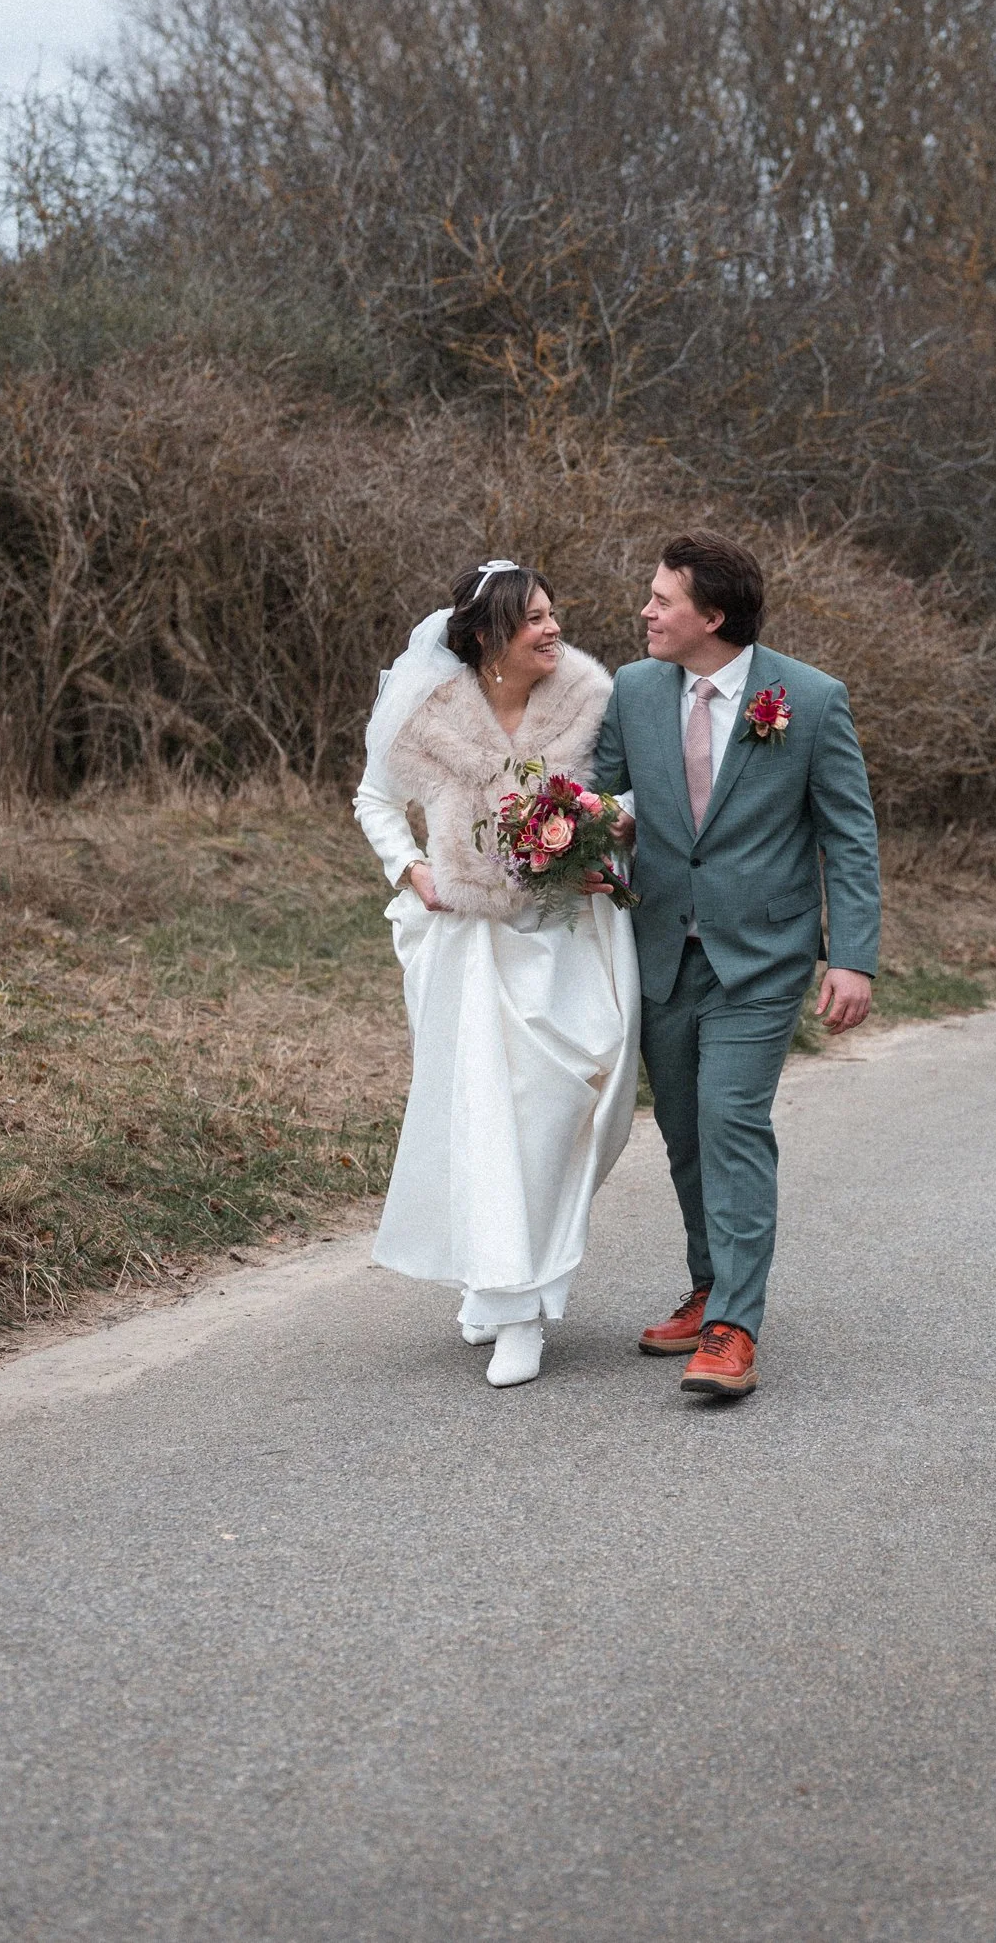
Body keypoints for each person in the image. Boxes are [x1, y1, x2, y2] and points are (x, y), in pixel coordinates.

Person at [591, 533, 881, 1400]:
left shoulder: (812, 700)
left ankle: (734, 1329)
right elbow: (606, 804)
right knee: (683, 1134)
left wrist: (851, 957)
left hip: (761, 957)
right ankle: (708, 1281)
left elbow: (848, 836)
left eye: (661, 599)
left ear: (710, 617)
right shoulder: (634, 690)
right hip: (658, 952)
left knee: (729, 1124)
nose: (644, 611)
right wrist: (572, 847)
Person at [354, 561, 640, 1388]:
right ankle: (514, 1303)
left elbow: (628, 795)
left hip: (567, 936)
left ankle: (510, 1274)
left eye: (554, 614)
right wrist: (412, 870)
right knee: (486, 1112)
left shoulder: (591, 697)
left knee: (564, 1104)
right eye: (534, 620)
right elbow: (373, 799)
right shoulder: (428, 713)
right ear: (487, 637)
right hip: (470, 944)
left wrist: (603, 832)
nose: (553, 630)